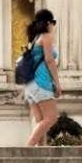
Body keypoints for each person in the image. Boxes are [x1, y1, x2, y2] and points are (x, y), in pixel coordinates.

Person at [21, 8, 62, 146]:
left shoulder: (34, 39)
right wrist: (57, 83)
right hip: (41, 82)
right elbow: (50, 61)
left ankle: (40, 153)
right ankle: (28, 148)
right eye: (53, 22)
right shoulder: (46, 37)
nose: (53, 26)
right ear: (48, 23)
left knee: (41, 122)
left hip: (30, 84)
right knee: (51, 118)